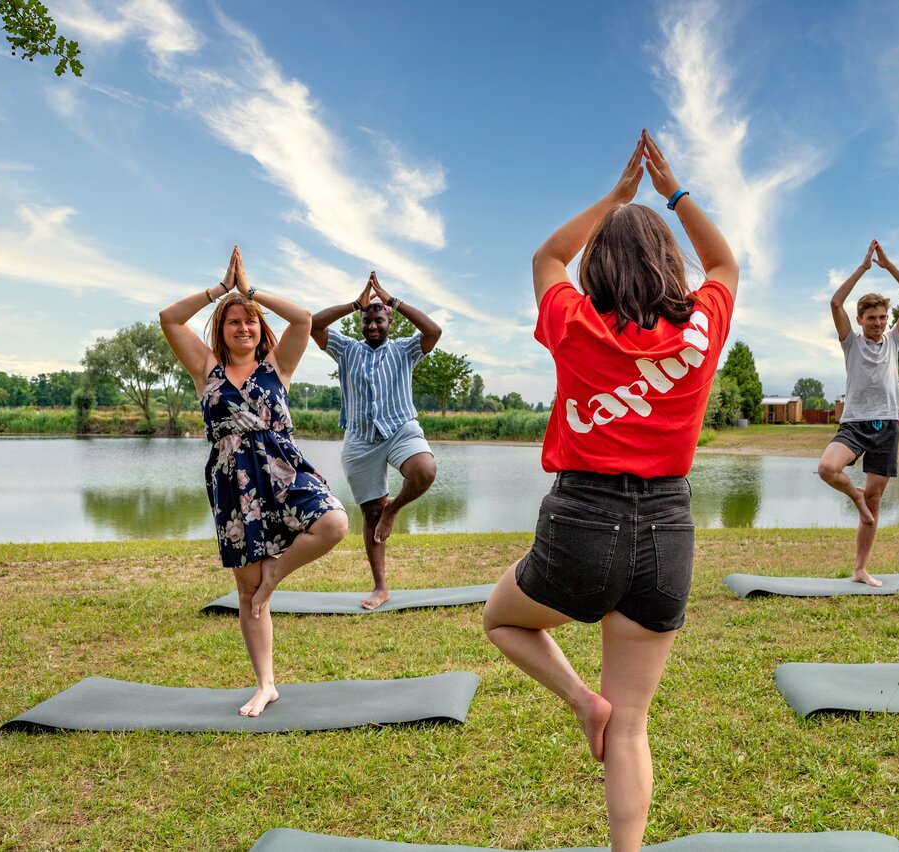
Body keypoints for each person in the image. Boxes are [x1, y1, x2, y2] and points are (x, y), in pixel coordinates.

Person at [482, 129, 737, 852]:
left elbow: (546, 257)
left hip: (581, 520)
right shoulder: (701, 331)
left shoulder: (574, 322)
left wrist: (615, 197)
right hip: (668, 528)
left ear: (597, 264)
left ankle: (578, 700)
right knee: (633, 725)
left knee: (501, 620)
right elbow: (723, 262)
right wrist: (671, 193)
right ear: (669, 263)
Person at [159, 245, 349, 717]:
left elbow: (303, 319)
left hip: (282, 469)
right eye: (233, 321)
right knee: (246, 590)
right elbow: (169, 318)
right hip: (233, 482)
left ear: (261, 327)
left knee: (333, 523)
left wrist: (250, 291)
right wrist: (221, 290)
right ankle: (266, 684)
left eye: (250, 321)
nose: (242, 327)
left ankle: (274, 579)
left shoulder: (277, 366)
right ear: (221, 330)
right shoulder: (206, 370)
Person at [311, 272, 441, 610]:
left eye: (379, 320)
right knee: (371, 514)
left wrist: (392, 300)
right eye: (366, 320)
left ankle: (392, 510)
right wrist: (355, 303)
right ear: (360, 322)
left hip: (400, 429)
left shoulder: (404, 350)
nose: (372, 326)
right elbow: (313, 324)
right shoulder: (346, 349)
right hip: (360, 438)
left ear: (389, 322)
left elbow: (433, 332)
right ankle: (380, 587)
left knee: (424, 471)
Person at [817, 240, 899, 586]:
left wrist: (889, 266)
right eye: (871, 318)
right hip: (854, 424)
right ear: (860, 319)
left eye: (882, 318)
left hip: (887, 425)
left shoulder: (894, 340)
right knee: (827, 468)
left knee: (875, 499)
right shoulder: (851, 342)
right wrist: (863, 268)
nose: (878, 323)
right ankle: (856, 496)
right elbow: (836, 302)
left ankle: (860, 569)